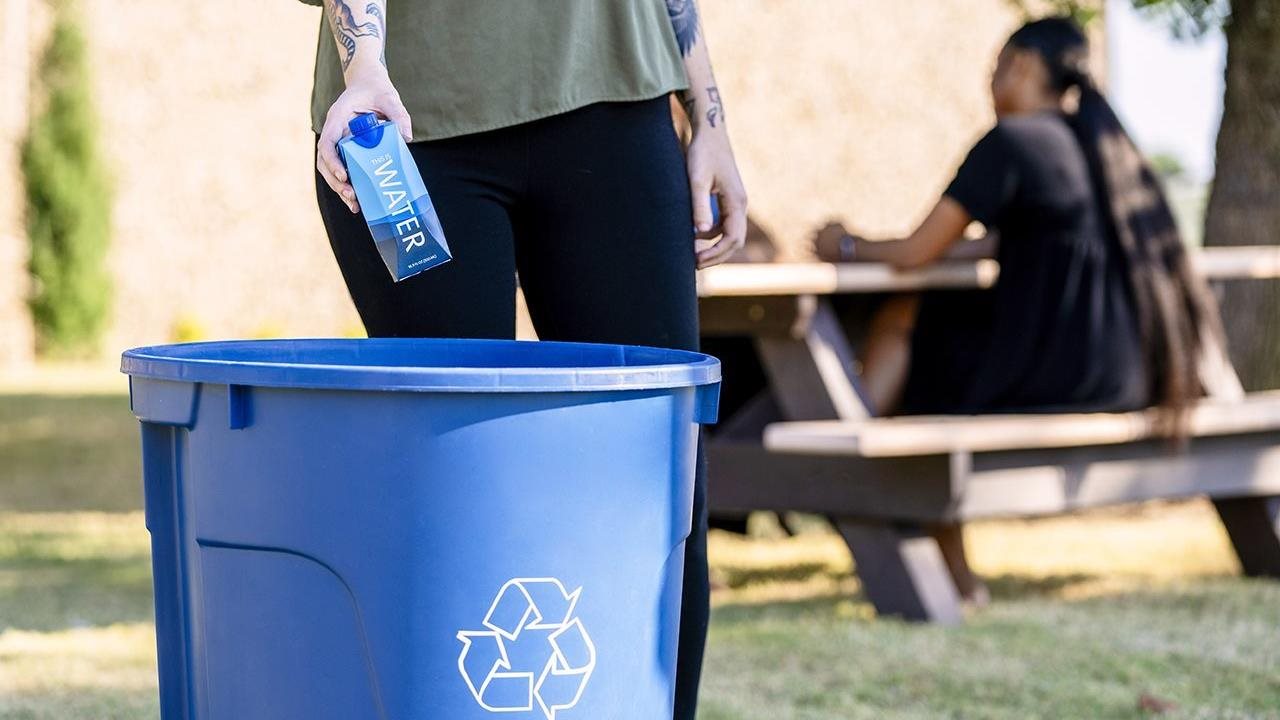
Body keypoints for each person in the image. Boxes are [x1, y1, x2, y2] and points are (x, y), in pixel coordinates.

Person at [302, 1, 748, 716]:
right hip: (410, 131)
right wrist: (364, 69)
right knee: (452, 486)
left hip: (618, 107)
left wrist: (710, 118)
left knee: (663, 481)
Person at [811, 16, 1226, 604]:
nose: (990, 82)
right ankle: (948, 568)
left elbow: (913, 252)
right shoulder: (1108, 151)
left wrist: (843, 244)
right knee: (929, 344)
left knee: (909, 324)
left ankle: (842, 465)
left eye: (995, 67)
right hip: (1128, 375)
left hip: (1058, 375)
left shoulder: (1011, 142)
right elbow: (1019, 240)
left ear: (1023, 66)